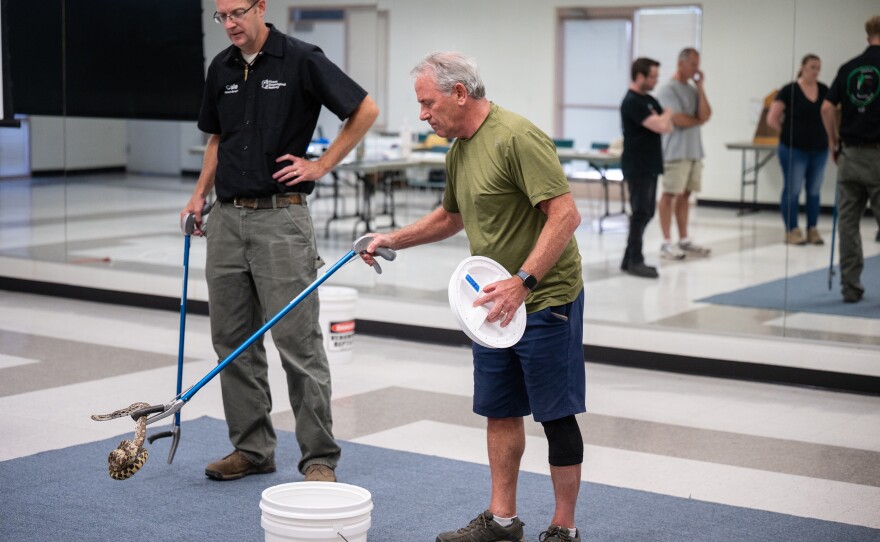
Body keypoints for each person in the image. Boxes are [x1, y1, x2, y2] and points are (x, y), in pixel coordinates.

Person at [363, 52, 586, 542]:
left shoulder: (517, 137)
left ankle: (563, 527)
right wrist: (391, 239)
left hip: (545, 296)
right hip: (492, 304)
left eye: (428, 103)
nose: (423, 114)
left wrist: (523, 281)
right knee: (500, 408)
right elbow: (451, 217)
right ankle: (502, 521)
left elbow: (565, 215)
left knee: (555, 414)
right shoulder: (458, 149)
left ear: (460, 93)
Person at [181, 0, 379, 482]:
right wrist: (198, 194)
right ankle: (251, 448)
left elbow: (365, 109)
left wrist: (321, 164)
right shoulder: (221, 67)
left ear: (261, 8)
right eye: (220, 16)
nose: (229, 24)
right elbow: (217, 137)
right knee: (231, 340)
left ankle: (318, 458)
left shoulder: (301, 58)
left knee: (297, 342)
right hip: (226, 220)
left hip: (281, 218)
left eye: (237, 13)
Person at [821, 15, 880, 304]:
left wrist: (834, 143)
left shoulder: (848, 68)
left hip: (850, 156)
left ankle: (851, 286)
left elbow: (827, 108)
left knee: (847, 224)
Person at [655, 48, 712, 260]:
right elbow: (678, 119)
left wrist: (700, 87)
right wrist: (698, 120)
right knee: (669, 194)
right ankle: (666, 242)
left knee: (686, 194)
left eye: (698, 64)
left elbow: (706, 114)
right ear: (681, 64)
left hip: (694, 150)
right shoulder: (667, 90)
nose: (697, 69)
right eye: (693, 64)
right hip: (675, 151)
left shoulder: (692, 89)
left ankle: (684, 239)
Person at [620, 57, 674, 278]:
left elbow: (666, 127)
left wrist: (662, 119)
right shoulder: (632, 101)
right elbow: (663, 123)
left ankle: (628, 258)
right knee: (641, 212)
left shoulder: (650, 100)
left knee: (647, 211)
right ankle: (635, 260)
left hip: (651, 164)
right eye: (652, 76)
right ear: (640, 76)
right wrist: (666, 115)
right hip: (637, 165)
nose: (655, 80)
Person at [767, 54, 829, 245]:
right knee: (793, 190)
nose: (815, 71)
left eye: (818, 67)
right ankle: (791, 230)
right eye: (812, 67)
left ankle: (812, 229)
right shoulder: (789, 90)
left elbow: (830, 115)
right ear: (802, 68)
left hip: (819, 149)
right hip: (794, 149)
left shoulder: (824, 90)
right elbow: (772, 118)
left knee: (814, 190)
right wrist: (787, 132)